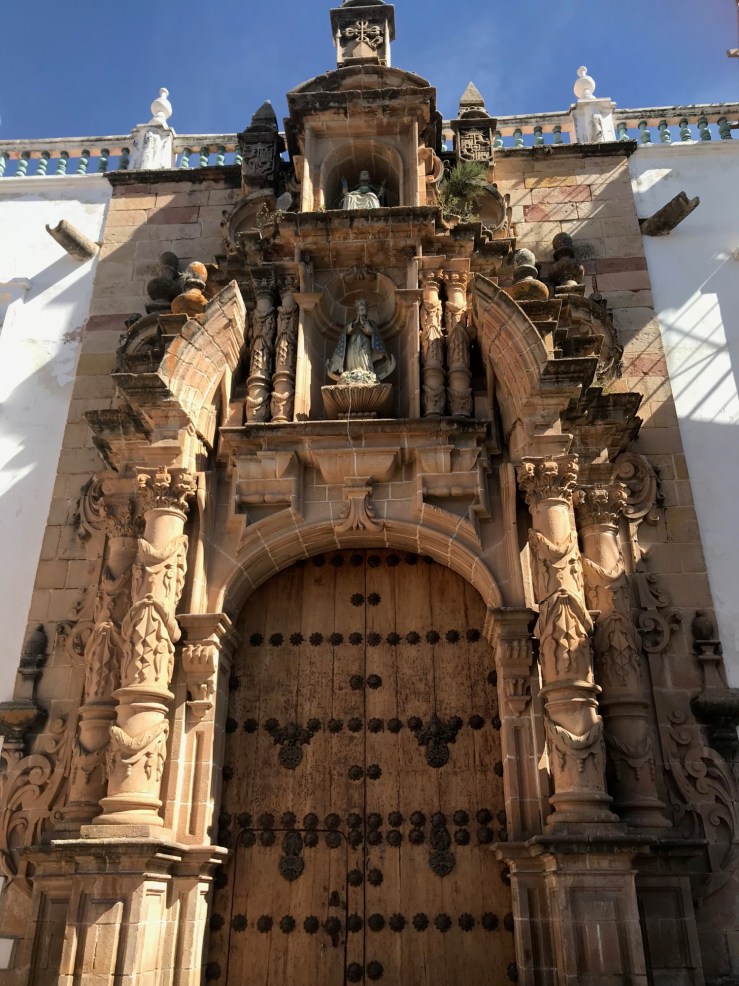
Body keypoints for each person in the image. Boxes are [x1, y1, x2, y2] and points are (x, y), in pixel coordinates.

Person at [326, 298, 395, 383]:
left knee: (365, 358)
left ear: (366, 311)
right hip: (353, 345)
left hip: (364, 344)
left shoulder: (370, 323)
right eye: (360, 309)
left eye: (364, 309)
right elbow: (346, 333)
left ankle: (367, 373)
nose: (362, 311)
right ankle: (351, 372)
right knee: (352, 358)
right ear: (357, 312)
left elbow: (370, 332)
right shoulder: (352, 323)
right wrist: (355, 324)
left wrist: (363, 323)